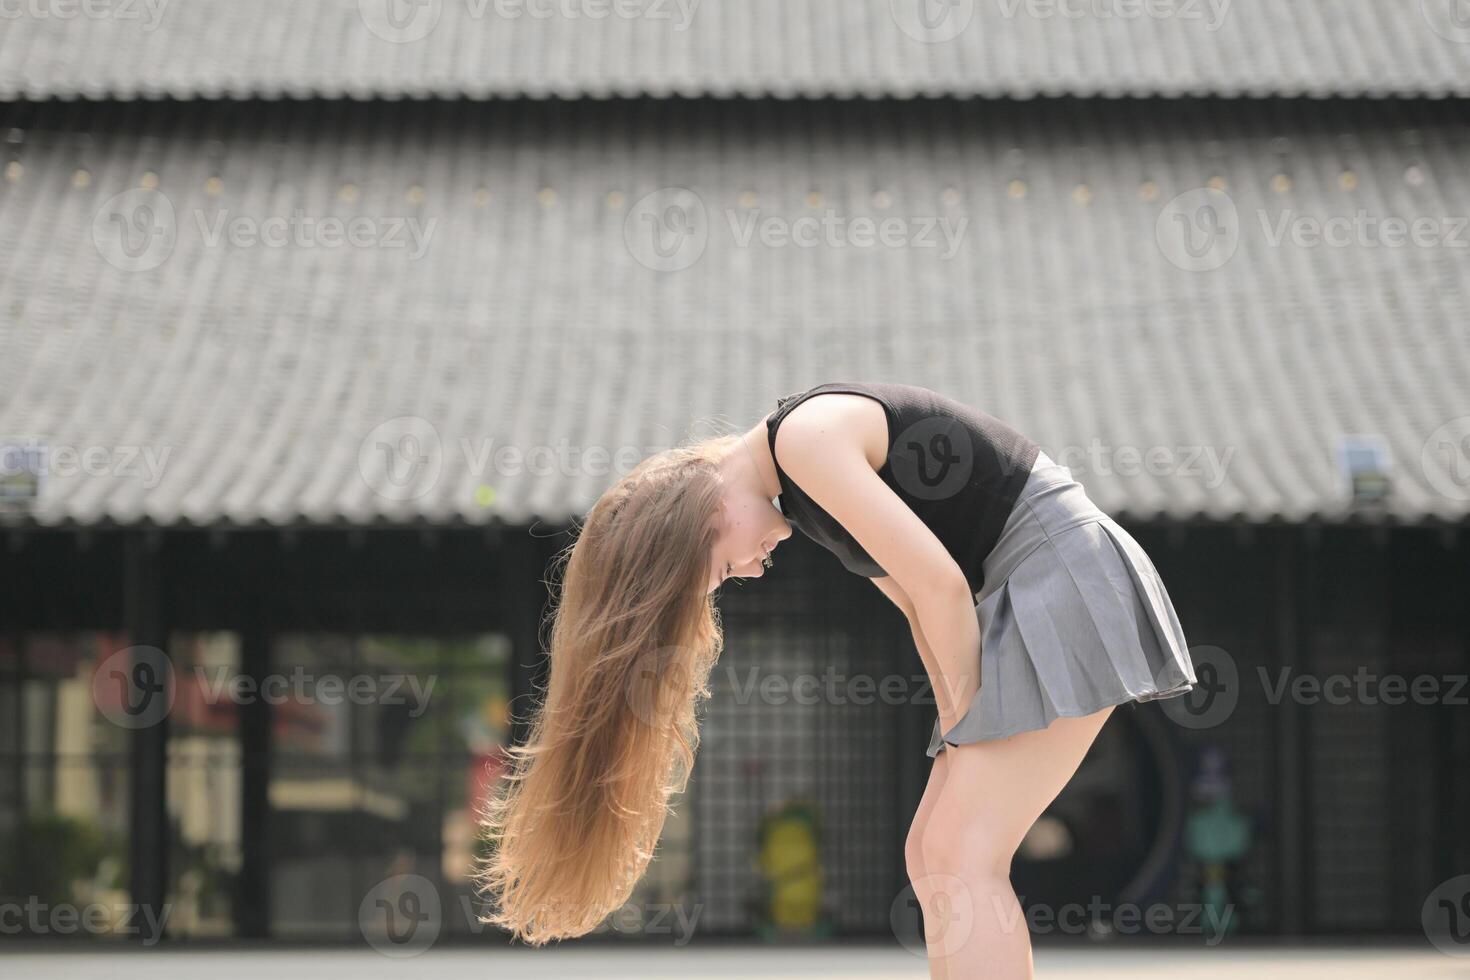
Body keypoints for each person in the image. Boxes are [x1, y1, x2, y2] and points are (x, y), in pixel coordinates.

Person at [474, 381, 1197, 974]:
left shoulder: (804, 442)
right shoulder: (803, 493)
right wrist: (958, 733)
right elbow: (918, 606)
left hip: (1060, 572)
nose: (751, 571)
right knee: (933, 852)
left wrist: (968, 727)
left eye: (723, 568)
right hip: (1031, 586)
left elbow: (943, 590)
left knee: (962, 852)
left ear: (704, 514)